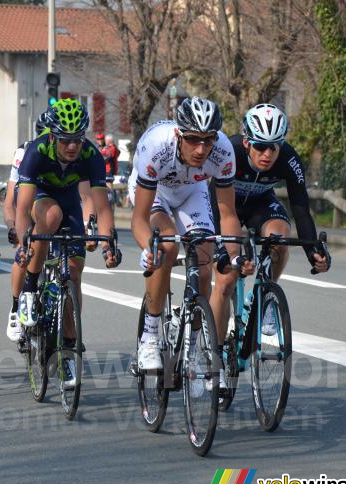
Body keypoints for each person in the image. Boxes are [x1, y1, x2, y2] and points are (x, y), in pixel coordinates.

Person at [128, 96, 251, 371]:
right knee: (167, 248)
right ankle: (149, 337)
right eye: (194, 139)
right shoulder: (157, 146)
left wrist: (234, 259)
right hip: (155, 192)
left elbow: (228, 214)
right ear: (178, 133)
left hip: (191, 193)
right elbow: (139, 219)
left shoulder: (222, 151)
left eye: (208, 140)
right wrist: (149, 249)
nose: (201, 149)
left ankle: (193, 349)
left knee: (205, 263)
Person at [14, 99, 121, 383]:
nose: (72, 146)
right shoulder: (36, 152)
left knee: (73, 275)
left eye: (77, 139)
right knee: (50, 216)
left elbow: (102, 205)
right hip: (41, 198)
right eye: (65, 140)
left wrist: (109, 244)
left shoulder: (91, 155)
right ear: (52, 136)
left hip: (71, 203)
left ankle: (68, 352)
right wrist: (22, 245)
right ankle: (29, 289)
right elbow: (23, 207)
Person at [209, 103, 330, 346]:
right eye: (260, 146)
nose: (267, 154)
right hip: (224, 206)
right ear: (246, 143)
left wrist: (313, 251)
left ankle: (265, 296)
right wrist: (221, 248)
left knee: (280, 238)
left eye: (273, 147)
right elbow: (214, 205)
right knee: (225, 278)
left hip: (260, 204)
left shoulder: (288, 159)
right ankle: (213, 356)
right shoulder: (228, 151)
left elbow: (300, 209)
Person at [3, 111, 49, 342]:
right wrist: (13, 226)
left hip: (54, 201)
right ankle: (15, 308)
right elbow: (11, 197)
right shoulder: (25, 152)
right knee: (25, 253)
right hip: (30, 202)